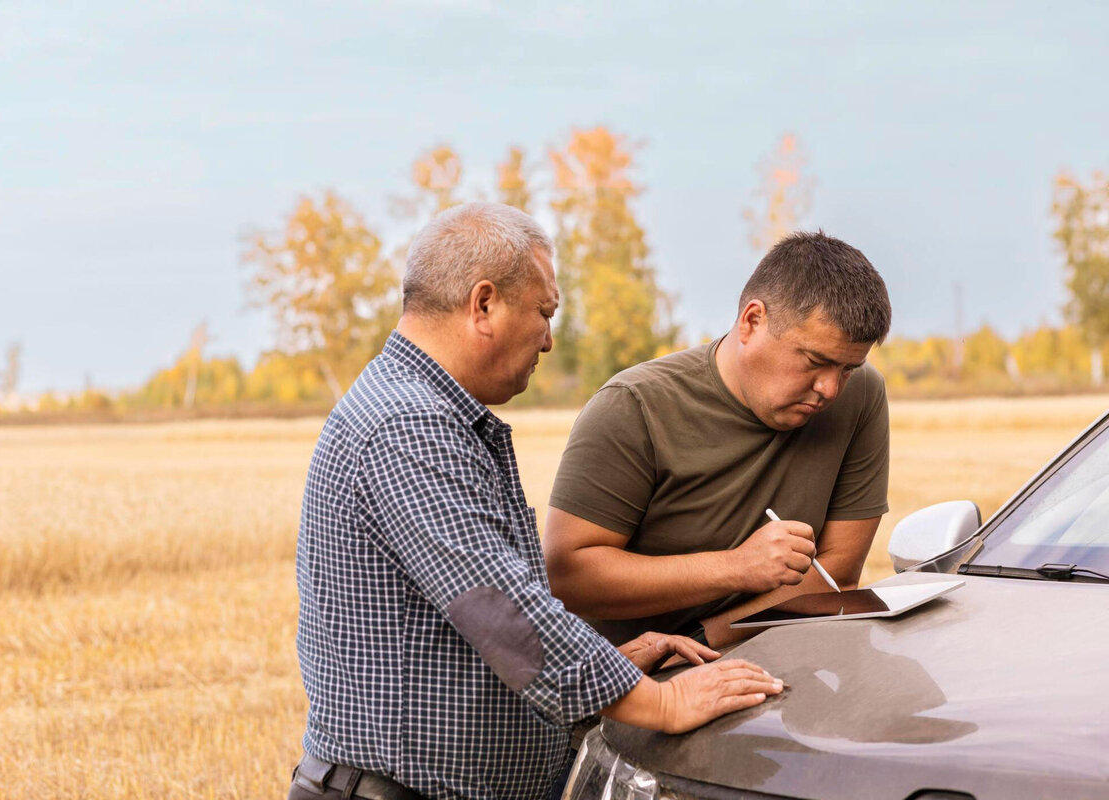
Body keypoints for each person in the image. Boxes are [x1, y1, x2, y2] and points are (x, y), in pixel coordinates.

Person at [289, 202, 783, 800]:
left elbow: (469, 636)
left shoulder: (426, 413)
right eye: (544, 313)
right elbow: (504, 614)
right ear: (484, 304)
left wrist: (612, 667)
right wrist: (662, 701)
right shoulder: (409, 426)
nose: (549, 340)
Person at [543, 231, 892, 648]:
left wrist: (707, 640)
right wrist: (736, 567)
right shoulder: (633, 406)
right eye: (815, 361)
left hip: (774, 653)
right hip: (631, 672)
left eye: (848, 368)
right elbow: (567, 578)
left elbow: (838, 573)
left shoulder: (862, 394)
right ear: (752, 321)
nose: (830, 389)